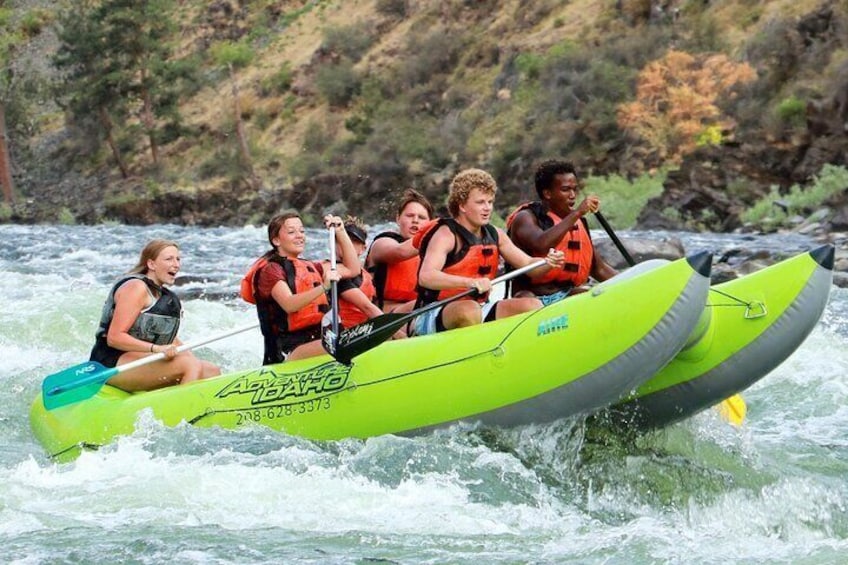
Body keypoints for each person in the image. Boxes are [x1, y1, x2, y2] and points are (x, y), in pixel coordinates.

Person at [410, 168, 565, 337]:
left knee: (531, 306)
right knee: (469, 310)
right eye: (480, 202)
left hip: (479, 309)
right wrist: (470, 282)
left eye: (490, 202)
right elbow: (426, 276)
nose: (487, 208)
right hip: (432, 313)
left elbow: (529, 265)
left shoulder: (495, 234)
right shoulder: (445, 235)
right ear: (462, 205)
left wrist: (547, 262)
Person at [89, 239, 221, 391]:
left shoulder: (163, 295)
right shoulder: (135, 288)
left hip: (140, 357)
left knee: (211, 370)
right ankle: (181, 412)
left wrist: (189, 356)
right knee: (189, 365)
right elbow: (115, 337)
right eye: (169, 259)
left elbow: (169, 338)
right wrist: (156, 349)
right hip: (109, 361)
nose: (176, 264)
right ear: (151, 264)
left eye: (178, 259)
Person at [243, 212, 360, 364]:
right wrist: (324, 287)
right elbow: (289, 304)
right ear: (276, 240)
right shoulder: (271, 270)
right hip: (288, 350)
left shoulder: (312, 266)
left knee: (349, 336)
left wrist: (340, 231)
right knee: (342, 342)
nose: (299, 236)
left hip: (319, 339)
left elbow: (353, 269)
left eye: (302, 231)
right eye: (292, 232)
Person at [506, 159, 617, 304]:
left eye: (574, 189)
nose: (572, 195)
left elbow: (599, 269)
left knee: (594, 295)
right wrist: (577, 213)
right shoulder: (526, 218)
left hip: (567, 295)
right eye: (565, 190)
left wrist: (633, 280)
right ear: (547, 193)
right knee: (527, 298)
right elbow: (540, 244)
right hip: (532, 297)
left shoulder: (578, 222)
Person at [365, 188, 434, 314]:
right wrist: (436, 233)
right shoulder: (382, 243)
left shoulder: (435, 252)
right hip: (386, 317)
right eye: (410, 216)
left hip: (420, 311)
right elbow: (400, 252)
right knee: (427, 302)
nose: (415, 220)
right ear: (398, 219)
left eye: (422, 217)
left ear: (429, 222)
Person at [336, 217, 383, 328]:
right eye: (344, 240)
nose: (347, 245)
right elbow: (367, 307)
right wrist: (401, 336)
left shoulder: (366, 275)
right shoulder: (336, 273)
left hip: (363, 329)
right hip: (344, 334)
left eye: (353, 241)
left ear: (363, 248)